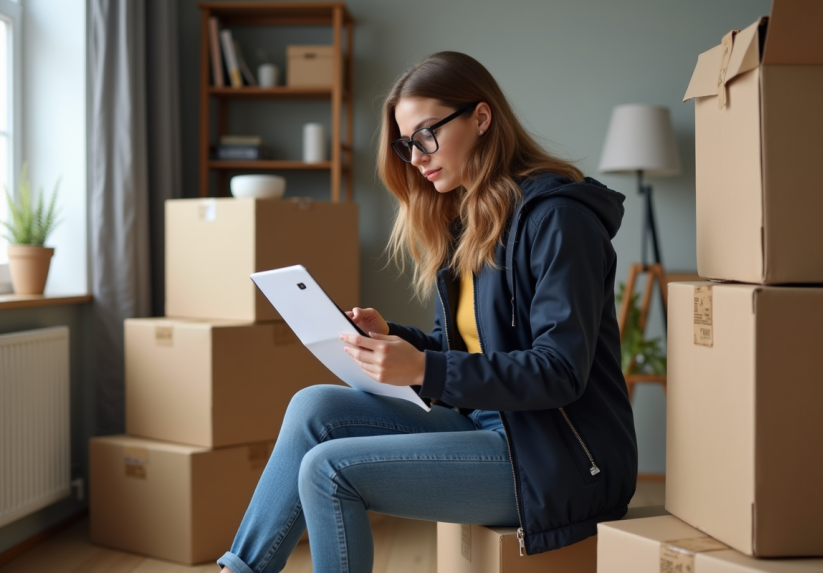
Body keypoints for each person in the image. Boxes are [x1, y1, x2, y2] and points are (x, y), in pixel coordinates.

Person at [218, 51, 637, 573]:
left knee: (329, 471)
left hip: (559, 458)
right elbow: (460, 348)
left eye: (425, 136)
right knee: (313, 408)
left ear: (481, 118)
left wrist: (421, 368)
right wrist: (392, 336)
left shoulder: (559, 221)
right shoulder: (472, 218)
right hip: (485, 422)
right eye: (405, 143)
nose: (415, 158)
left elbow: (561, 370)